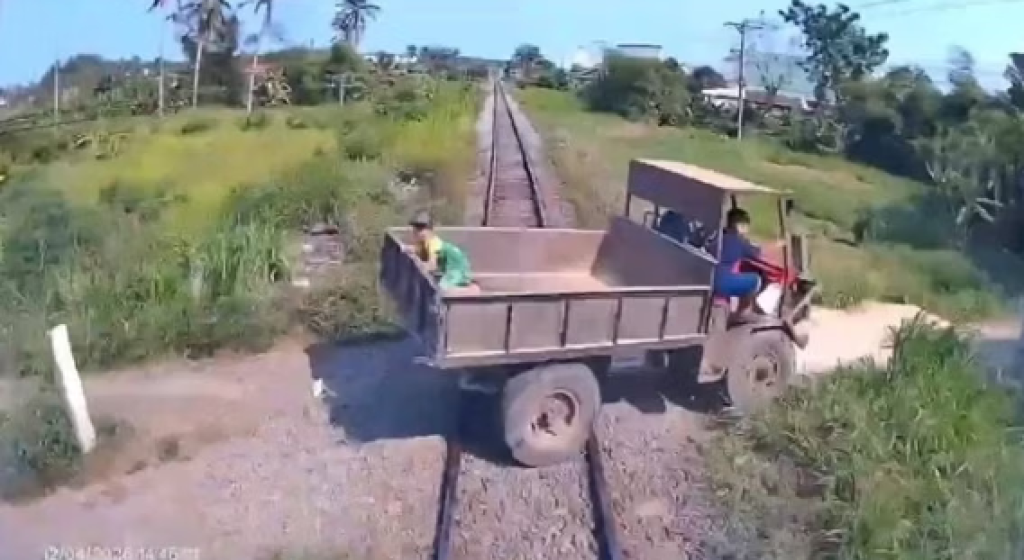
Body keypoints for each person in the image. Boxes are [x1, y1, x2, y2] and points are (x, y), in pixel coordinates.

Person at [714, 208, 783, 316]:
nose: (747, 230)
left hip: (710, 278)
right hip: (723, 282)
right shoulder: (739, 241)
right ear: (739, 225)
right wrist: (777, 245)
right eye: (746, 226)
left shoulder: (718, 236)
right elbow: (759, 253)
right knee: (756, 279)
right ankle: (742, 313)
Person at [408, 210, 475, 290]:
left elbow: (432, 266)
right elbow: (415, 249)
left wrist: (419, 267)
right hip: (450, 268)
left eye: (420, 229)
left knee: (442, 289)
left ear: (430, 230)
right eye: (415, 229)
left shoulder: (433, 243)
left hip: (457, 269)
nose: (416, 232)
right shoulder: (423, 243)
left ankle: (470, 290)